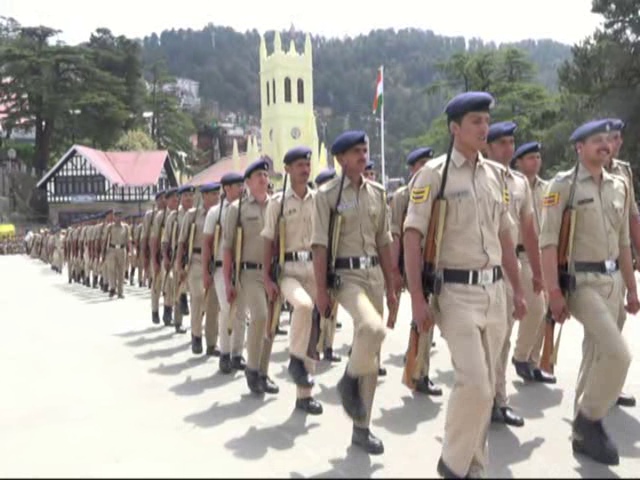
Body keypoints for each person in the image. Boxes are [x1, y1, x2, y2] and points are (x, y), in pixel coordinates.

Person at [403, 92, 526, 478]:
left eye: (486, 121)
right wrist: (418, 300)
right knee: (473, 382)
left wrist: (518, 290)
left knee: (487, 389)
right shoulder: (433, 175)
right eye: (475, 121)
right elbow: (411, 235)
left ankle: (475, 464)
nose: (484, 128)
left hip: (494, 293)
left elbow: (506, 236)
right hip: (454, 293)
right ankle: (453, 466)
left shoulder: (496, 176)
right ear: (455, 128)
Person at [541, 118, 638, 465]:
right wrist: (553, 292)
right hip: (580, 284)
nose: (604, 145)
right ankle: (589, 418)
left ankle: (583, 436)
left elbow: (624, 243)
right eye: (595, 140)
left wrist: (631, 288)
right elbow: (548, 243)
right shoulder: (561, 185)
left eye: (606, 140)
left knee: (597, 355)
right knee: (619, 354)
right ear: (579, 148)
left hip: (613, 281)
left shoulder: (619, 185)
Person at [312, 130, 399, 454]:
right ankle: (348, 380)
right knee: (371, 327)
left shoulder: (377, 192)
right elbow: (319, 246)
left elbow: (385, 242)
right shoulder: (328, 195)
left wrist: (392, 287)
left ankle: (361, 428)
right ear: (340, 159)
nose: (363, 155)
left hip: (374, 273)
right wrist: (321, 291)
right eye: (356, 152)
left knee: (373, 355)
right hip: (345, 276)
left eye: (365, 150)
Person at [485, 121, 544, 428]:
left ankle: (498, 400)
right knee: (492, 338)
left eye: (511, 142)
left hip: (513, 267)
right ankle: (487, 398)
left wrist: (536, 272)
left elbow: (530, 232)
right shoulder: (477, 176)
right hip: (483, 266)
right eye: (501, 143)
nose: (508, 148)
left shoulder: (520, 183)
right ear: (488, 147)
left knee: (504, 337)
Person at [262, 146, 323, 415]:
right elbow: (267, 240)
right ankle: (295, 361)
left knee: (313, 333)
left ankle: (304, 396)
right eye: (298, 165)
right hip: (288, 270)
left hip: (314, 267)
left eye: (307, 165)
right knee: (304, 307)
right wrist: (266, 277)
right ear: (287, 169)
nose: (304, 169)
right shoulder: (277, 203)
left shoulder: (318, 200)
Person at [389, 147, 442, 396]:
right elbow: (397, 236)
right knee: (422, 317)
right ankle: (419, 373)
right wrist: (394, 272)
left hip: (435, 261)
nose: (426, 167)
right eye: (421, 163)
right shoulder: (402, 196)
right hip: (412, 263)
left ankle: (417, 366)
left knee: (426, 319)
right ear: (412, 168)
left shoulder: (439, 190)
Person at [223, 158, 278, 395]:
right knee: (260, 316)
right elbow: (227, 247)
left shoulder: (277, 206)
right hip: (249, 272)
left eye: (266, 176)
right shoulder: (237, 210)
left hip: (274, 272)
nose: (264, 179)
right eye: (258, 176)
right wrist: (227, 281)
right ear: (247, 182)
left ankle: (263, 373)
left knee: (271, 323)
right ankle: (252, 369)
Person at [511, 142, 556, 383]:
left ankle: (533, 362)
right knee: (536, 307)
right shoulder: (513, 186)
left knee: (545, 309)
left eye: (538, 157)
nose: (535, 161)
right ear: (518, 162)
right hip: (519, 255)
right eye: (530, 158)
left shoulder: (548, 188)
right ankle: (520, 355)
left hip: (542, 255)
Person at [603, 118, 638, 408]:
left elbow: (632, 217)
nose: (615, 144)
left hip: (618, 259)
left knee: (618, 322)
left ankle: (609, 388)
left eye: (618, 138)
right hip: (591, 267)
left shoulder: (623, 171)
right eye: (611, 138)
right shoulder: (583, 174)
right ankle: (592, 400)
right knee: (600, 336)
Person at [203, 172, 248, 374]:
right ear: (227, 188)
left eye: (242, 185)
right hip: (222, 267)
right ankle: (225, 353)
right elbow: (207, 242)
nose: (242, 189)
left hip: (244, 268)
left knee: (241, 312)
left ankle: (238, 354)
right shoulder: (215, 212)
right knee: (226, 309)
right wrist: (206, 271)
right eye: (237, 185)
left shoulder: (246, 209)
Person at [177, 182, 221, 355]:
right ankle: (196, 335)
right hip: (195, 260)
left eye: (218, 194)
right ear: (204, 197)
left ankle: (211, 342)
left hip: (215, 262)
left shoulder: (222, 214)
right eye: (212, 195)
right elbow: (182, 241)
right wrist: (179, 264)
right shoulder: (193, 215)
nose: (216, 198)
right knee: (197, 296)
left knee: (213, 303)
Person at [312, 168, 342, 363]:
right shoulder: (315, 205)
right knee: (317, 306)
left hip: (335, 261)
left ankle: (328, 346)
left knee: (333, 306)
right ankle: (315, 344)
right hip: (316, 263)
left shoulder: (339, 207)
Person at [104, 210, 130, 299]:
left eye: (120, 216)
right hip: (112, 249)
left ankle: (120, 292)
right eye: (116, 216)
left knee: (121, 271)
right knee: (111, 270)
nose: (118, 218)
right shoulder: (110, 227)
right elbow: (105, 239)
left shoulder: (126, 227)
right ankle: (112, 288)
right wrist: (103, 250)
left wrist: (130, 251)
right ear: (114, 217)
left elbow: (128, 239)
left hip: (122, 250)